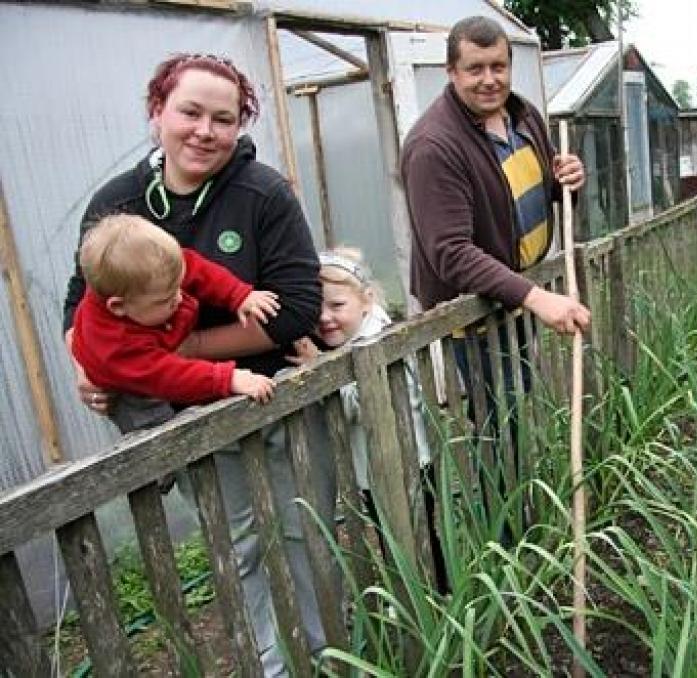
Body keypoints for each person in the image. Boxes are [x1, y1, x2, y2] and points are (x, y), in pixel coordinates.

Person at [62, 53, 329, 676]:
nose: (205, 131)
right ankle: (274, 664)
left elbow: (295, 311)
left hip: (270, 397)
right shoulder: (118, 203)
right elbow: (81, 302)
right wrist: (84, 362)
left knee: (298, 532)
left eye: (224, 118)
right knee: (239, 547)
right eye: (190, 112)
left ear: (241, 126)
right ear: (157, 113)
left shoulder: (261, 192)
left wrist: (169, 356)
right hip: (194, 421)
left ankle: (323, 654)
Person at [400, 15, 591, 532]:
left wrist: (567, 182)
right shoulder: (434, 147)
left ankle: (517, 512)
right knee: (496, 422)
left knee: (514, 405)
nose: (489, 79)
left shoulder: (521, 114)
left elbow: (535, 186)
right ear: (451, 72)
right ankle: (503, 535)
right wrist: (535, 296)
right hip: (478, 311)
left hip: (515, 295)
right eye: (475, 69)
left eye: (499, 66)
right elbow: (452, 254)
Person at [291, 247, 449, 593]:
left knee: (414, 533)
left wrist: (320, 369)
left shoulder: (376, 342)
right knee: (393, 535)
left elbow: (365, 406)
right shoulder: (361, 334)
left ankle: (432, 594)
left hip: (405, 461)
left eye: (337, 306)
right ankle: (417, 593)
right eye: (316, 307)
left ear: (367, 299)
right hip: (379, 467)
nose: (325, 317)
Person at [71, 214, 279, 433]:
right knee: (156, 430)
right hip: (130, 384)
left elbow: (198, 270)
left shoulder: (153, 274)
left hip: (155, 340)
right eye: (165, 299)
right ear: (118, 306)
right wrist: (227, 379)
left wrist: (238, 294)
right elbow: (168, 376)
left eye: (179, 287)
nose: (179, 298)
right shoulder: (116, 347)